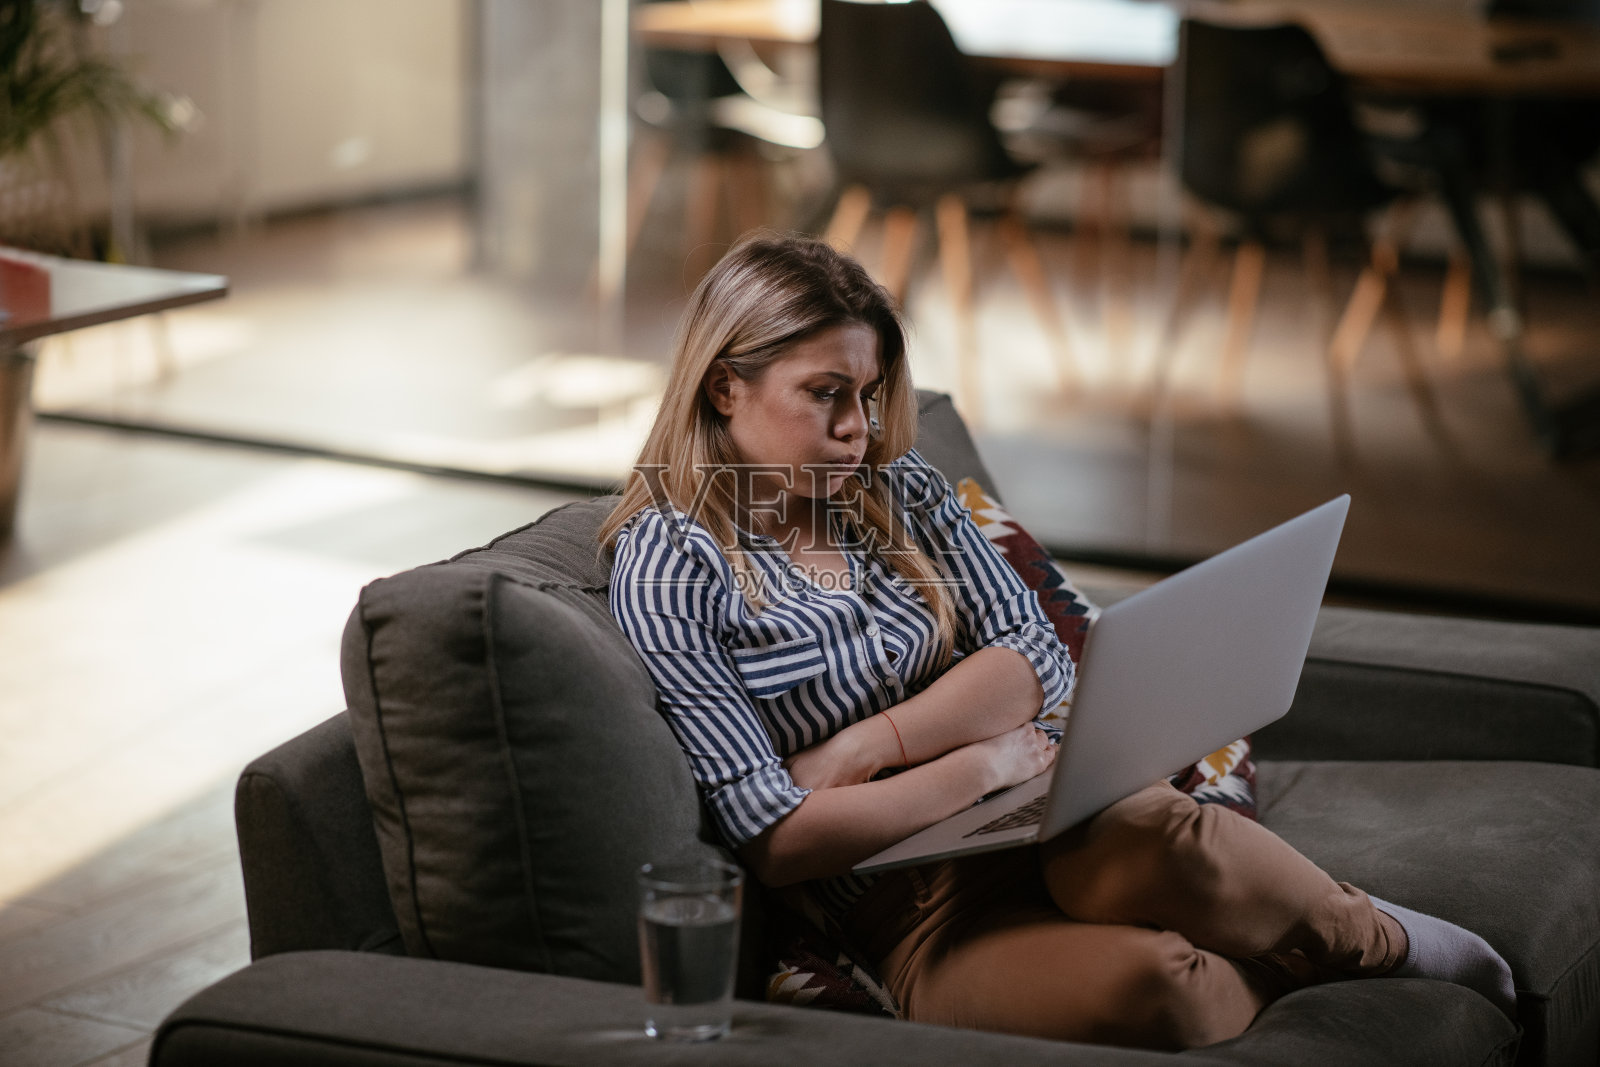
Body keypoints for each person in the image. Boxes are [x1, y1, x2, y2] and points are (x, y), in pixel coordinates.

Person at [600, 231, 1514, 1049]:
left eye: (869, 396)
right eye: (826, 395)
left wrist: (867, 744)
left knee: (1161, 833)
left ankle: (1381, 937)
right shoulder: (672, 567)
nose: (858, 430)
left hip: (1047, 811)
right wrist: (974, 765)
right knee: (1160, 986)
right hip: (910, 913)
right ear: (726, 384)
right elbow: (777, 833)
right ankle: (1292, 952)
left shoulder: (902, 490)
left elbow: (1032, 653)